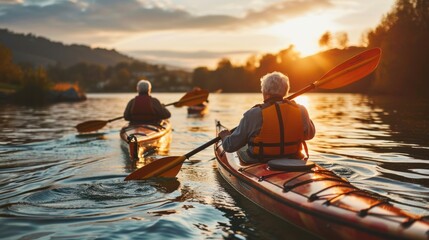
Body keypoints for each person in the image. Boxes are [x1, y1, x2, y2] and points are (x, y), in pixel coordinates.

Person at [218, 71, 315, 163]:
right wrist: (304, 115)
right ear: (286, 91)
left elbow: (229, 147)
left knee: (243, 145)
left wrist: (225, 137)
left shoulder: (253, 114)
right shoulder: (301, 110)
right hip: (293, 157)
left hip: (260, 159)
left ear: (264, 92)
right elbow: (309, 135)